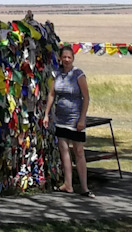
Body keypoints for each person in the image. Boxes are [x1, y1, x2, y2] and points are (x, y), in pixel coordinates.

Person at [44, 44, 91, 195]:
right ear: (60, 58)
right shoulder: (57, 74)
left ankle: (84, 187)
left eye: (69, 57)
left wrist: (82, 118)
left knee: (78, 150)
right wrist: (47, 114)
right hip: (61, 118)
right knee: (63, 150)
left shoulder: (78, 74)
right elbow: (52, 94)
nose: (66, 60)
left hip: (75, 118)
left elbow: (86, 97)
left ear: (73, 58)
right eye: (64, 57)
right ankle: (68, 184)